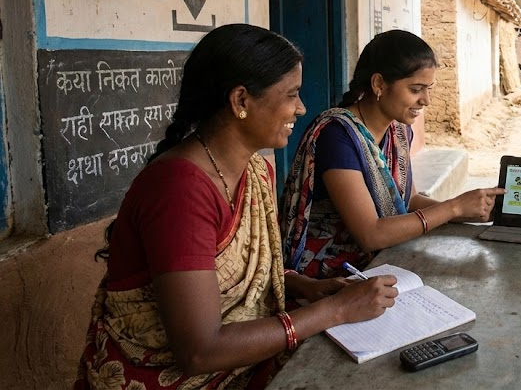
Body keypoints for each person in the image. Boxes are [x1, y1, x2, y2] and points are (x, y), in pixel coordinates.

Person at [76, 24, 399, 390]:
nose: (301, 108)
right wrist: (335, 310)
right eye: (291, 94)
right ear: (241, 101)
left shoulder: (255, 170)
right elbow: (199, 351)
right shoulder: (179, 190)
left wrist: (305, 287)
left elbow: (236, 280)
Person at [280, 30, 504, 278]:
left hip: (382, 260)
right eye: (416, 89)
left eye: (429, 88)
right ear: (379, 84)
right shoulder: (337, 136)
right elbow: (370, 234)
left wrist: (468, 212)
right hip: (330, 275)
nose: (426, 100)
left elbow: (408, 201)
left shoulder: (397, 132)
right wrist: (452, 208)